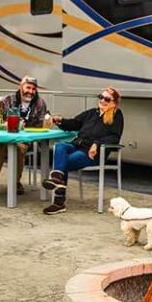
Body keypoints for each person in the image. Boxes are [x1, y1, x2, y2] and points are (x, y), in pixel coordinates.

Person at [41, 87, 124, 215]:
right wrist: (60, 120)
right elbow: (74, 123)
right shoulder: (92, 113)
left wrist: (97, 143)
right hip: (77, 145)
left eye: (106, 99)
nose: (102, 100)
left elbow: (114, 137)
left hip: (92, 153)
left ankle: (58, 201)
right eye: (100, 97)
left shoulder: (116, 115)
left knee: (64, 162)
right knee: (60, 146)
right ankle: (57, 179)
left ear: (114, 102)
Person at [0, 75, 48, 197]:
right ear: (20, 87)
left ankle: (16, 183)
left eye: (33, 89)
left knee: (18, 148)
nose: (30, 92)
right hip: (5, 137)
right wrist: (4, 124)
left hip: (25, 139)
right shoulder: (8, 100)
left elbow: (41, 127)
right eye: (28, 87)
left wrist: (41, 124)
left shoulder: (40, 103)